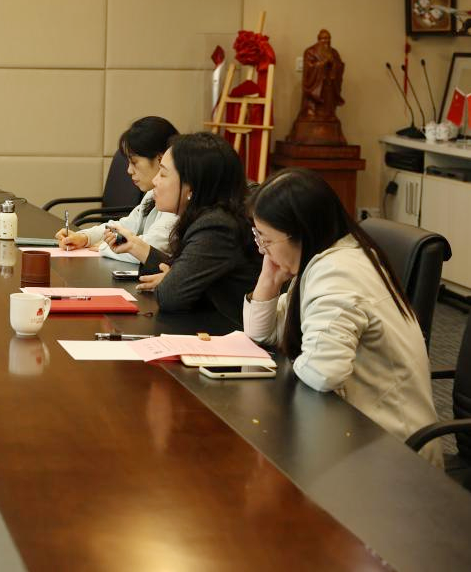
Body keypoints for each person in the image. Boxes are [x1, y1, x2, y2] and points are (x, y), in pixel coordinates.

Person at [245, 168, 441, 466]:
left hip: (392, 451)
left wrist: (301, 357)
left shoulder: (337, 273)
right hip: (352, 427)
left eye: (267, 240)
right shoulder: (322, 258)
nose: (263, 250)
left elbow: (323, 373)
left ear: (300, 232)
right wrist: (269, 279)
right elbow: (262, 333)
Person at [111, 133, 260, 325]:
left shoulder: (216, 226)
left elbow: (170, 296)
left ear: (191, 187)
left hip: (232, 331)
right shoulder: (207, 217)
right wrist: (171, 274)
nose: (155, 181)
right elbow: (183, 270)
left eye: (163, 174)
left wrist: (171, 279)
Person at [55, 116, 179, 263]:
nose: (129, 170)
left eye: (134, 162)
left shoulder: (177, 202)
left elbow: (152, 249)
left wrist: (105, 247)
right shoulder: (152, 193)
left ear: (161, 159)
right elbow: (125, 226)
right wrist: (85, 238)